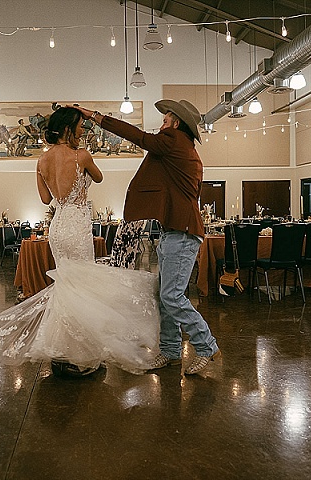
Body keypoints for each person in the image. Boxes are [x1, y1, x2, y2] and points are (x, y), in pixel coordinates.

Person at [0, 107, 159, 376]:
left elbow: (46, 200)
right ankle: (80, 351)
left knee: (67, 287)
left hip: (58, 227)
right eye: (80, 126)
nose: (83, 130)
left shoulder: (41, 161)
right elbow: (100, 177)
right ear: (68, 128)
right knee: (83, 289)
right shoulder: (82, 156)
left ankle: (63, 352)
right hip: (78, 227)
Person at [74, 100, 220, 375]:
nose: (161, 125)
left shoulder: (174, 141)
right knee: (164, 296)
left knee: (172, 296)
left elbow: (137, 136)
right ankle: (171, 350)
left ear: (177, 124)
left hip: (183, 233)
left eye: (165, 120)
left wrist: (96, 117)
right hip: (173, 232)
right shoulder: (178, 150)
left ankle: (205, 345)